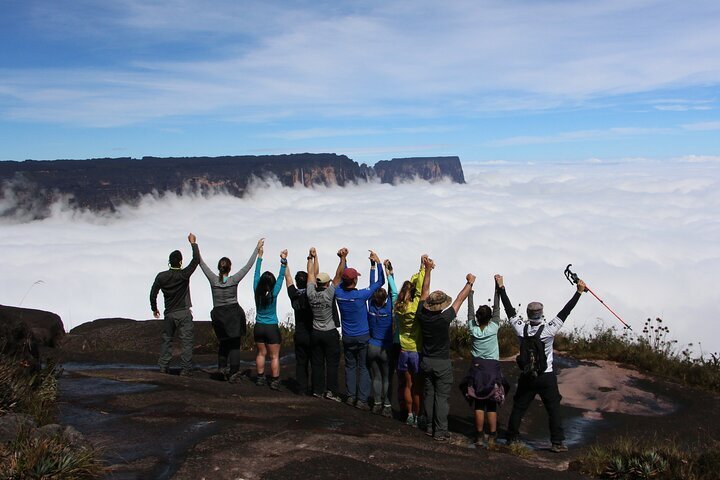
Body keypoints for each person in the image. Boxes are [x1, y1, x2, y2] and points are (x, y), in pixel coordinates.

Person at [501, 275, 587, 452]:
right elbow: (565, 311)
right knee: (553, 408)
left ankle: (511, 438)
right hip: (546, 375)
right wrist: (578, 292)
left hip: (527, 375)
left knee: (519, 407)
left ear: (527, 314)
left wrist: (501, 287)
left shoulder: (520, 328)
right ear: (541, 313)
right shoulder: (548, 330)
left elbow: (509, 310)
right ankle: (557, 443)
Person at [415, 256, 474, 441]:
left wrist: (428, 270)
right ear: (441, 306)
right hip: (441, 362)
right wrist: (469, 283)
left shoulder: (421, 314)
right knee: (441, 398)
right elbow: (459, 299)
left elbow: (424, 290)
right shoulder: (444, 318)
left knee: (429, 394)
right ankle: (440, 432)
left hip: (425, 360)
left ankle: (430, 426)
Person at [199, 238, 263, 383]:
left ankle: (222, 368)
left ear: (218, 268)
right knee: (234, 344)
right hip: (234, 314)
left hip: (219, 314)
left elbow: (201, 263)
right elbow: (248, 266)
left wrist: (194, 245)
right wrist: (257, 249)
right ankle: (234, 372)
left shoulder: (213, 280)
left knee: (223, 342)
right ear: (230, 268)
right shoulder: (234, 280)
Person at [459, 274, 509, 448]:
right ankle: (492, 436)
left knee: (479, 403)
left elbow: (470, 312)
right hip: (493, 370)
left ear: (478, 318)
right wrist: (497, 288)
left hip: (477, 370)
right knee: (492, 405)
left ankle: (479, 436)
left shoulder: (472, 328)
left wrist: (470, 295)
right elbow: (497, 309)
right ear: (489, 318)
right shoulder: (494, 327)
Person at [334, 248, 385, 411]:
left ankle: (350, 396)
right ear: (355, 281)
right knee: (363, 367)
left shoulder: (338, 294)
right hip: (363, 337)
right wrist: (377, 263)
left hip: (347, 337)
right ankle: (361, 400)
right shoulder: (362, 295)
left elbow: (341, 280)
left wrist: (343, 259)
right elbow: (379, 283)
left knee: (350, 366)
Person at [150, 233, 200, 377]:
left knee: (167, 340)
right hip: (183, 312)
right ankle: (185, 370)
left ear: (169, 262)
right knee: (186, 342)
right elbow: (196, 260)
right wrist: (193, 243)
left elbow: (153, 293)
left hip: (169, 313)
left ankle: (163, 367)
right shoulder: (184, 275)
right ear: (180, 262)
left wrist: (154, 309)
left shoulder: (161, 277)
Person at [306, 247, 344, 401]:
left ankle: (317, 390)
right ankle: (331, 392)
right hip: (330, 332)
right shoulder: (329, 294)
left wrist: (311, 258)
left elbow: (310, 275)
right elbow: (339, 275)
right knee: (332, 364)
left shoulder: (310, 293)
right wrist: (342, 258)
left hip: (315, 332)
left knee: (317, 363)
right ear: (328, 284)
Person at [394, 255, 427, 427]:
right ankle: (417, 415)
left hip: (403, 351)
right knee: (417, 387)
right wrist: (424, 269)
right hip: (416, 350)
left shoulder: (398, 307)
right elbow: (421, 290)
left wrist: (420, 267)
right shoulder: (415, 307)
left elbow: (415, 289)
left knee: (406, 385)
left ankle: (408, 415)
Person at [253, 245, 288, 390]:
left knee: (261, 353)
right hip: (271, 327)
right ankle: (274, 381)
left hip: (259, 326)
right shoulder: (274, 293)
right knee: (274, 357)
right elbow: (281, 277)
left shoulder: (256, 290)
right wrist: (283, 261)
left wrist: (260, 256)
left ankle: (260, 378)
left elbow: (256, 274)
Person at [366, 258, 398, 417]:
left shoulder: (371, 305)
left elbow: (372, 286)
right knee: (387, 377)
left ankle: (377, 403)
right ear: (385, 299)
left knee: (376, 376)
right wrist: (390, 272)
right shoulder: (389, 306)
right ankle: (387, 406)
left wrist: (373, 267)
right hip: (386, 346)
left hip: (371, 345)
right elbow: (394, 292)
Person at [284, 259, 313, 395]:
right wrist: (311, 259)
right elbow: (313, 275)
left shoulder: (293, 295)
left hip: (300, 333)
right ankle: (315, 388)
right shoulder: (311, 294)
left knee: (301, 363)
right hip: (312, 332)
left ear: (297, 282)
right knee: (315, 362)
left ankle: (302, 389)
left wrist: (284, 262)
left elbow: (288, 278)